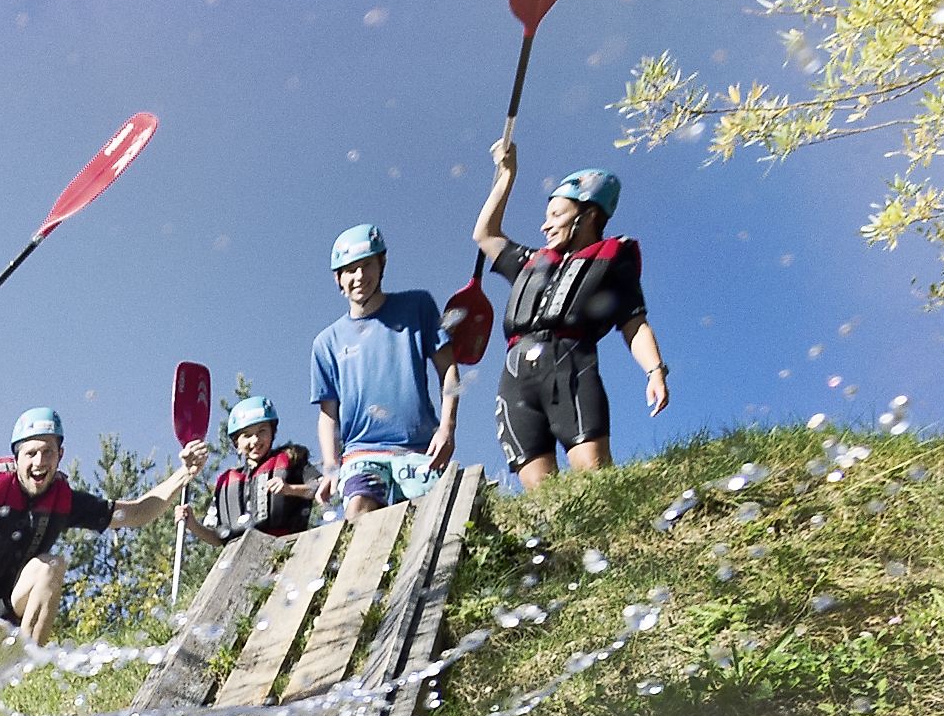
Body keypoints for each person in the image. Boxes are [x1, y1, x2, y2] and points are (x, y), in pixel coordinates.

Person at [0, 362, 194, 691]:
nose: (39, 462)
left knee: (51, 566)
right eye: (32, 453)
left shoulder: (65, 502)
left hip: (1, 612)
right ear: (17, 457)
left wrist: (184, 473)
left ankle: (26, 673)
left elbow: (135, 513)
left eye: (48, 452)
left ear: (60, 456)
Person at [470, 138, 670, 482]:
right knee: (543, 496)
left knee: (595, 476)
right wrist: (507, 175)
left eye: (556, 215)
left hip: (571, 367)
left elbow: (633, 323)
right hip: (516, 378)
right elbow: (485, 234)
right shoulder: (529, 263)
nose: (545, 226)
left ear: (589, 214)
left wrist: (655, 371)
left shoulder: (613, 260)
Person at [307, 223, 455, 514]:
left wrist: (447, 426)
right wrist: (330, 466)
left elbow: (448, 368)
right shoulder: (326, 343)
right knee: (359, 513)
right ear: (338, 278)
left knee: (426, 527)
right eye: (350, 269)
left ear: (382, 263)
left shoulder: (418, 305)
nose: (360, 276)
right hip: (361, 451)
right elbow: (328, 415)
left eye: (367, 265)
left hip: (419, 448)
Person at [201, 386, 323, 541]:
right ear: (236, 443)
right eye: (247, 435)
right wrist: (190, 522)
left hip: (286, 546)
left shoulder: (293, 459)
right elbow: (215, 536)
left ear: (272, 433)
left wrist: (289, 489)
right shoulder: (226, 481)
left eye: (262, 431)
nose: (255, 440)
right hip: (237, 555)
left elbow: (321, 488)